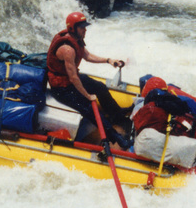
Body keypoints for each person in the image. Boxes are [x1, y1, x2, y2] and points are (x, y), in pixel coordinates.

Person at [47, 12, 133, 149]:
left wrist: (108, 60)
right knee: (89, 109)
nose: (85, 29)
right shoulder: (67, 50)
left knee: (100, 87)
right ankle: (116, 138)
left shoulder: (76, 39)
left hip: (70, 80)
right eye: (82, 27)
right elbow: (73, 78)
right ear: (72, 29)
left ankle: (117, 115)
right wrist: (87, 96)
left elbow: (86, 55)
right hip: (62, 88)